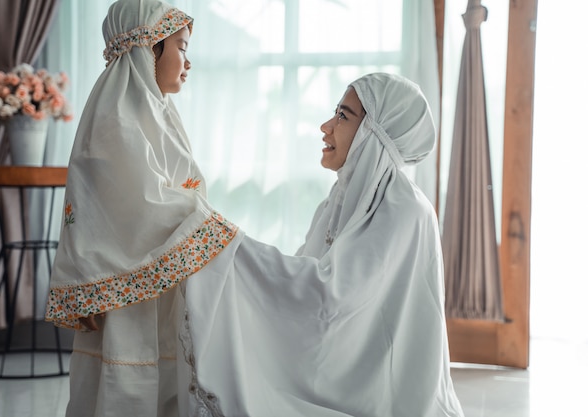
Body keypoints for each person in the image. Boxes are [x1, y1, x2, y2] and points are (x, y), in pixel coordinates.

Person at [175, 72, 466, 416]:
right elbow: (304, 276)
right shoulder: (338, 201)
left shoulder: (404, 210)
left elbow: (333, 300)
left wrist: (225, 247)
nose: (326, 126)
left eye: (343, 116)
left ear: (374, 134)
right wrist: (224, 244)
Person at [44, 1, 239, 416]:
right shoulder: (116, 118)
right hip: (124, 291)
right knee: (128, 378)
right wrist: (208, 225)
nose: (188, 62)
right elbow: (137, 203)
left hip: (158, 281)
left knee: (165, 377)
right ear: (149, 48)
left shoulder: (156, 111)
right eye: (182, 48)